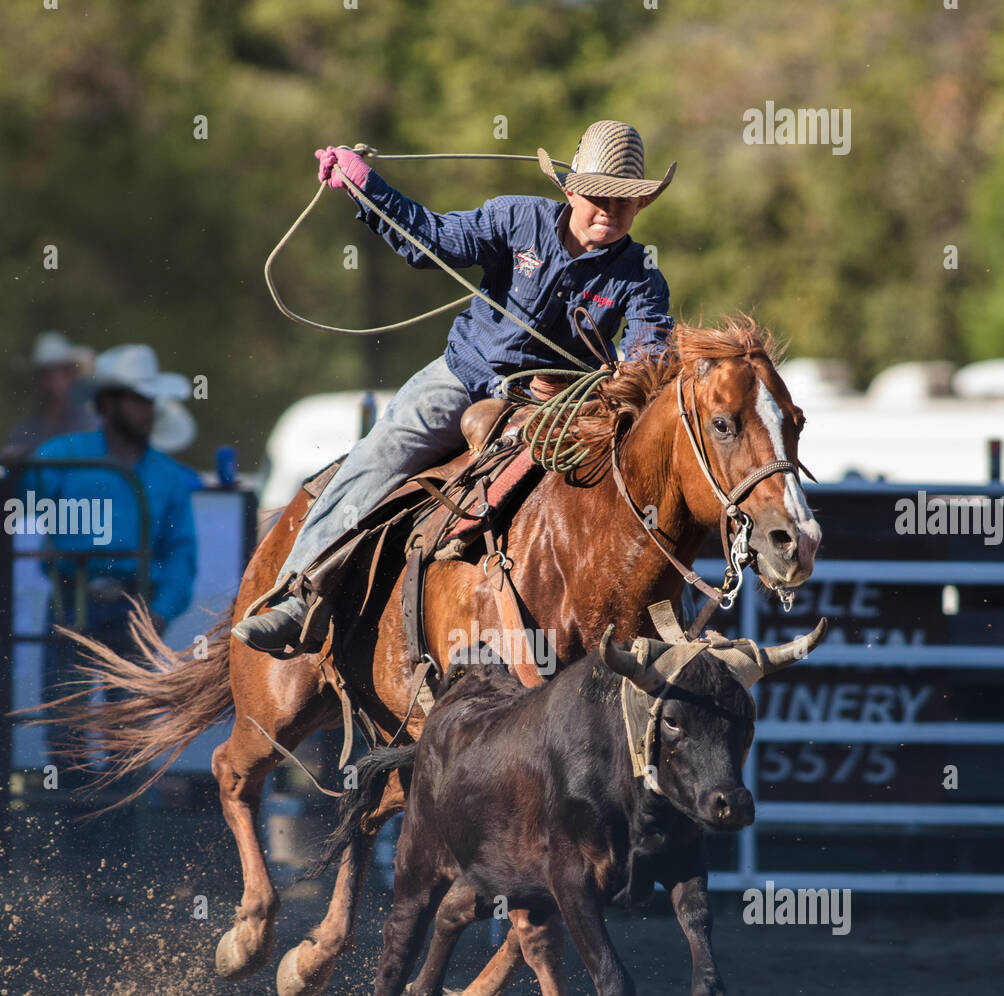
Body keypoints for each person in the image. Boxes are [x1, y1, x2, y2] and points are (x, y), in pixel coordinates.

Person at [232, 119, 676, 656]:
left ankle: (672, 635)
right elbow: (432, 242)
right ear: (569, 189)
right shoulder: (516, 219)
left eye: (624, 201)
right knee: (380, 456)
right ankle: (297, 595)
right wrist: (367, 187)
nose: (608, 210)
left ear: (642, 206)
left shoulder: (641, 277)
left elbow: (648, 360)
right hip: (462, 379)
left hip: (554, 412)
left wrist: (609, 385)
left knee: (637, 497)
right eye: (598, 196)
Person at [24, 344, 200, 711]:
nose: (147, 409)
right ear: (106, 404)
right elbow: (21, 498)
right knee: (63, 721)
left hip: (136, 604)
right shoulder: (62, 455)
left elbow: (181, 553)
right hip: (70, 600)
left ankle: (124, 772)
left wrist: (162, 610)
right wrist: (14, 472)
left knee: (132, 724)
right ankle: (70, 772)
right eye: (138, 398)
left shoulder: (168, 476)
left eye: (150, 400)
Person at [2, 331, 97, 463]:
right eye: (47, 373)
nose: (55, 380)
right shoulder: (25, 429)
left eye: (61, 372)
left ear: (71, 375)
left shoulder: (91, 422)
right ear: (36, 379)